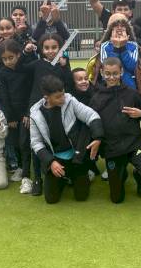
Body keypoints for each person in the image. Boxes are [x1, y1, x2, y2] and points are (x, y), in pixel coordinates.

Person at [90, 58, 141, 203]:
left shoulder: (132, 94)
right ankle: (120, 174)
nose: (111, 77)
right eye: (107, 74)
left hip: (133, 146)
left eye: (115, 73)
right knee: (116, 199)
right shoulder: (96, 97)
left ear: (121, 72)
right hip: (112, 149)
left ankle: (140, 178)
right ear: (102, 72)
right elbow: (91, 122)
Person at [29, 76, 103, 204]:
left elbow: (91, 115)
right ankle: (63, 178)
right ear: (46, 97)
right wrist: (51, 162)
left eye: (63, 94)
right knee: (51, 200)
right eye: (58, 97)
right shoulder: (35, 113)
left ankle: (82, 173)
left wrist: (98, 137)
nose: (63, 98)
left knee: (81, 197)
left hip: (77, 156)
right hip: (56, 160)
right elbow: (36, 143)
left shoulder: (70, 101)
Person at [0, 39, 40, 195]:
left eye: (11, 57)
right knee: (17, 143)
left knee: (26, 143)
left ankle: (28, 177)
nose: (8, 61)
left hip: (30, 112)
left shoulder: (26, 68)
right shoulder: (2, 72)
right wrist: (10, 118)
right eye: (4, 59)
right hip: (15, 114)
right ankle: (23, 170)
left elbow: (33, 89)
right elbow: (5, 95)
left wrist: (29, 113)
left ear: (18, 54)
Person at [92, 14, 141, 97]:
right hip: (109, 85)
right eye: (116, 31)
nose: (119, 31)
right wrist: (116, 47)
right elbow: (108, 65)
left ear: (128, 35)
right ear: (110, 34)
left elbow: (131, 66)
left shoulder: (133, 45)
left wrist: (123, 48)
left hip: (129, 86)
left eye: (123, 30)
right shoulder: (105, 46)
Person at [25, 33, 73, 108]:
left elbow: (69, 83)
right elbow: (21, 68)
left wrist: (64, 67)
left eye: (54, 47)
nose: (50, 51)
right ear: (42, 49)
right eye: (46, 48)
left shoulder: (63, 64)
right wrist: (26, 52)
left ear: (60, 48)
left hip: (58, 105)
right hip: (38, 107)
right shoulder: (37, 64)